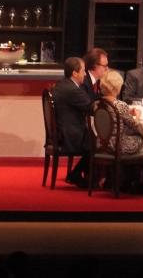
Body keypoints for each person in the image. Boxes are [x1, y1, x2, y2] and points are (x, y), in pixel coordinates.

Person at [52, 57, 92, 188]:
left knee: (95, 139)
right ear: (75, 73)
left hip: (63, 131)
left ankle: (87, 176)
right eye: (83, 71)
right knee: (101, 143)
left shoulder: (61, 85)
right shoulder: (72, 90)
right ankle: (76, 174)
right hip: (70, 135)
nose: (85, 74)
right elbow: (91, 107)